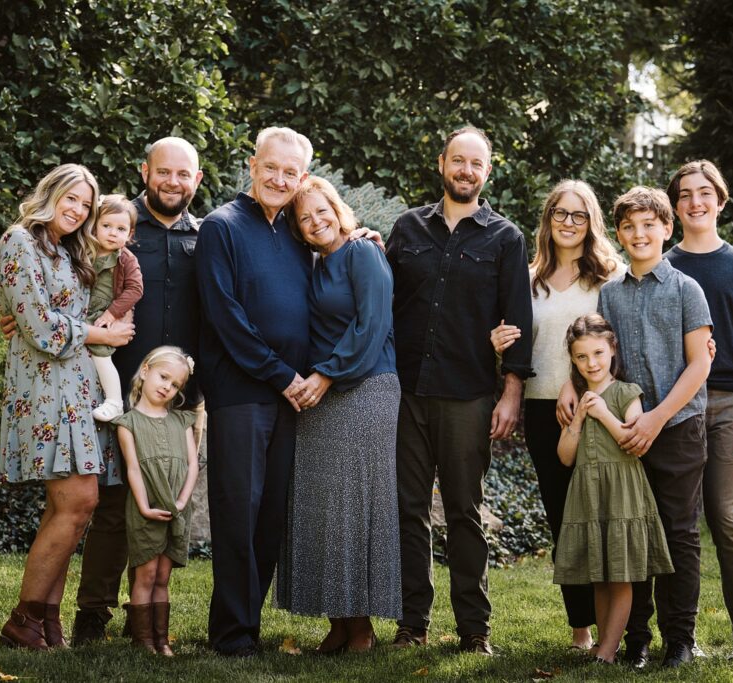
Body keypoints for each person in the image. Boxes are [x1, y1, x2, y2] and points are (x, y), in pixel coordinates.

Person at [385, 126, 533, 656]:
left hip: (469, 394)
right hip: (406, 392)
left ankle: (474, 630)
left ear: (487, 172)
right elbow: (383, 299)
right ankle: (412, 623)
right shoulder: (407, 229)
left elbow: (518, 321)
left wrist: (511, 390)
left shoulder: (505, 238)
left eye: (477, 163)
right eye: (458, 160)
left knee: (465, 512)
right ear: (442, 163)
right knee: (408, 509)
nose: (466, 170)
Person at [561, 186, 712, 669]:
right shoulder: (610, 293)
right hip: (621, 430)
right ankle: (636, 639)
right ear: (619, 235)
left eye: (649, 224)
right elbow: (599, 355)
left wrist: (657, 417)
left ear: (668, 229)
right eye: (629, 226)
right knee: (632, 534)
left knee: (678, 533)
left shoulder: (687, 289)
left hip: (677, 426)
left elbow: (698, 366)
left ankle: (680, 640)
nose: (639, 234)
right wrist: (570, 385)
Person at [71, 137, 206, 644]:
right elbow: (66, 263)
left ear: (196, 179)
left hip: (178, 400)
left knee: (164, 499)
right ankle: (93, 614)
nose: (173, 182)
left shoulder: (206, 235)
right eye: (163, 172)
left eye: (183, 174)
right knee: (112, 506)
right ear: (145, 171)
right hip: (117, 390)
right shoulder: (117, 226)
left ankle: (144, 618)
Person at [0, 164, 134, 650]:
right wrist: (103, 335)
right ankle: (21, 622)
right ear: (50, 194)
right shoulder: (20, 241)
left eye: (85, 205)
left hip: (77, 387)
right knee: (79, 501)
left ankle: (46, 622)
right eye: (70, 199)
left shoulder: (71, 251)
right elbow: (39, 326)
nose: (77, 210)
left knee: (68, 504)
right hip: (44, 386)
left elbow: (62, 313)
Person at [194, 127, 315, 657]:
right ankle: (231, 633)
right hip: (241, 390)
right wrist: (281, 374)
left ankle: (249, 622)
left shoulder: (296, 230)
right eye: (272, 168)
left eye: (291, 172)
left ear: (303, 178)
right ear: (252, 165)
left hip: (291, 395)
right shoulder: (222, 227)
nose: (280, 179)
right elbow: (226, 317)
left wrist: (362, 238)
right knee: (238, 511)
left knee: (271, 519)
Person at [489, 179, 624, 650]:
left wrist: (576, 379)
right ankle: (580, 629)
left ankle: (622, 629)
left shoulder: (609, 276)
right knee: (564, 520)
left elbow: (614, 346)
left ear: (592, 222)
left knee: (603, 518)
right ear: (547, 219)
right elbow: (519, 343)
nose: (568, 223)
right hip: (542, 410)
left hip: (593, 405)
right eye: (559, 214)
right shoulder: (527, 279)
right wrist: (497, 345)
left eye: (578, 215)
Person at [273, 177, 401, 653]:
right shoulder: (314, 263)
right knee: (323, 507)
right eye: (304, 218)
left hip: (364, 387)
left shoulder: (363, 253)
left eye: (321, 211)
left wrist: (325, 376)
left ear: (337, 208)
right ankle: (339, 622)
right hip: (320, 391)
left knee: (355, 508)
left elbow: (373, 325)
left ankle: (362, 627)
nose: (315, 221)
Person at [664, 160, 733, 659]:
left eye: (704, 192)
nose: (695, 202)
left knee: (728, 517)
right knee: (677, 520)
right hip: (678, 407)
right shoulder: (665, 266)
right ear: (674, 205)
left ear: (720, 200)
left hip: (731, 404)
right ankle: (681, 636)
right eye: (685, 194)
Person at [552, 314, 673, 665]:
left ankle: (605, 652)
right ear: (573, 360)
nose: (592, 363)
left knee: (619, 574)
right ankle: (606, 645)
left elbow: (633, 441)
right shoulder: (576, 397)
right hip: (588, 493)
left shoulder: (625, 393)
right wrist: (578, 417)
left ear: (612, 350)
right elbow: (564, 457)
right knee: (599, 575)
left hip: (622, 490)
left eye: (598, 353)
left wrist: (603, 413)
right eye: (582, 357)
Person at [112, 346, 199, 656]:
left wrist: (182, 501)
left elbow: (192, 465)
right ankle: (143, 640)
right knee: (146, 574)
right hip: (146, 508)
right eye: (164, 377)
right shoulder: (128, 423)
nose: (167, 387)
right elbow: (133, 468)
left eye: (175, 384)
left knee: (163, 576)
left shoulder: (182, 421)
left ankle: (161, 640)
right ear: (146, 370)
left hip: (177, 508)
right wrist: (145, 506)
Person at [87, 194, 143, 422]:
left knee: (101, 355)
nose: (112, 233)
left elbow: (136, 289)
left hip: (105, 315)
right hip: (84, 311)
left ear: (129, 235)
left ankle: (114, 401)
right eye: (106, 225)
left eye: (121, 229)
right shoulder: (85, 251)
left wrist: (112, 313)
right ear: (95, 227)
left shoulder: (126, 259)